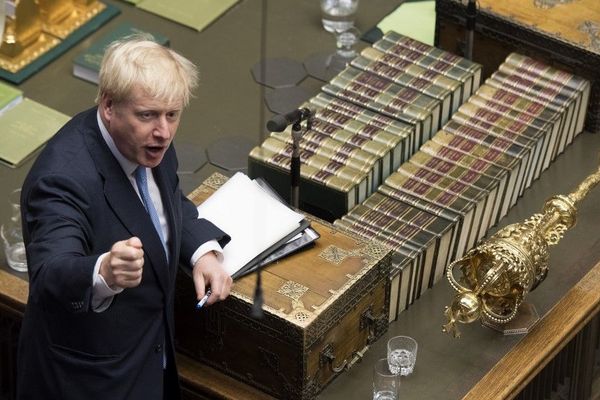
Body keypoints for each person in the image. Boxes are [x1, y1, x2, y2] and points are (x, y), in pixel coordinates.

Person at [16, 35, 232, 400]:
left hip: (150, 360)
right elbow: (50, 273)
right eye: (147, 115)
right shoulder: (61, 179)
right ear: (108, 106)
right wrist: (103, 272)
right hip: (91, 382)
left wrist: (201, 251)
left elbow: (167, 202)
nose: (163, 132)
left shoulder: (148, 139)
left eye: (172, 115)